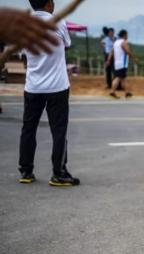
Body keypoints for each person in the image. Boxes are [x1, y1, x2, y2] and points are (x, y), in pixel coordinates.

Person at [18, 0, 79, 186]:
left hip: (33, 87)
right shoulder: (58, 22)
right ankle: (58, 173)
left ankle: (26, 171)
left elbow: (23, 55)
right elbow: (67, 43)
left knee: (28, 129)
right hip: (57, 87)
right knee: (58, 130)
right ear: (49, 4)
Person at [108, 30, 137, 99]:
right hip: (122, 63)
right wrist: (134, 58)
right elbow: (128, 51)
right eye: (126, 35)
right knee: (118, 77)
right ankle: (112, 91)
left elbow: (111, 52)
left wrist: (108, 60)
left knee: (123, 78)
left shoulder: (116, 43)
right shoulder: (124, 42)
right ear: (124, 35)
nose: (127, 36)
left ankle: (126, 92)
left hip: (117, 63)